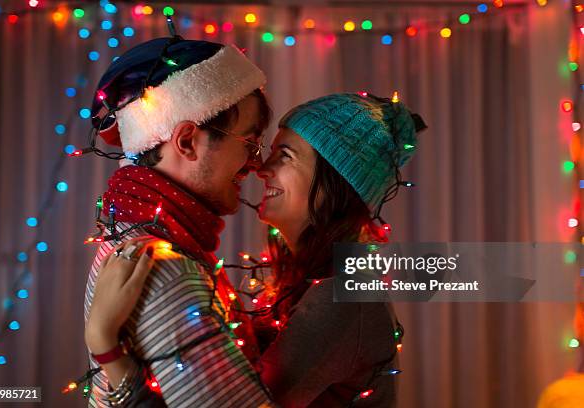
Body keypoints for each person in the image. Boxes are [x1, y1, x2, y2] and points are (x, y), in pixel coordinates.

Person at [87, 92, 426, 407]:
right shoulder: (308, 281)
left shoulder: (342, 296)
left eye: (285, 156)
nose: (261, 168)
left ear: (336, 183)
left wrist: (106, 348)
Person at [81, 34, 275, 408]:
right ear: (187, 141)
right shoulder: (163, 269)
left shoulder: (129, 234)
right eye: (250, 144)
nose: (257, 164)